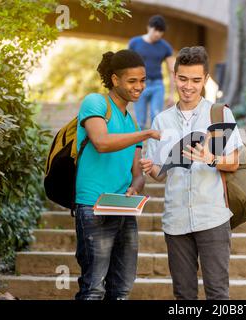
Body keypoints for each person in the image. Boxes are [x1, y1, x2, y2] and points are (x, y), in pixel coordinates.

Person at [140, 46, 244, 300]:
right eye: (183, 79)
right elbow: (159, 174)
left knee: (217, 293)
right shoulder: (161, 121)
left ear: (205, 80)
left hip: (213, 217)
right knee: (184, 295)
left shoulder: (219, 114)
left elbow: (234, 162)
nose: (189, 86)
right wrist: (149, 168)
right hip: (175, 220)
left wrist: (211, 158)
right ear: (174, 76)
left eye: (196, 80)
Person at [74, 49, 161, 300]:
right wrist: (146, 134)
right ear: (115, 79)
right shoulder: (96, 103)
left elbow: (137, 174)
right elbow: (101, 142)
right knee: (93, 288)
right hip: (93, 207)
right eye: (132, 81)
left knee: (121, 289)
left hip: (122, 209)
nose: (139, 87)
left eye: (143, 80)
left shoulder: (131, 122)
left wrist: (136, 186)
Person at [129, 15, 175, 129]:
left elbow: (172, 71)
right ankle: (138, 146)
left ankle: (155, 146)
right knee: (140, 122)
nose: (158, 34)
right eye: (156, 30)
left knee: (157, 118)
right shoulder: (134, 43)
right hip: (138, 85)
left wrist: (171, 94)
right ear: (149, 27)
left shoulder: (166, 47)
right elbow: (126, 66)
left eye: (161, 31)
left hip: (157, 85)